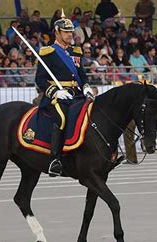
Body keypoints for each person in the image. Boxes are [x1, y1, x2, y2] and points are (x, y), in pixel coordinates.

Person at [35, 10, 92, 177]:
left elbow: (81, 74)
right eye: (66, 32)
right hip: (57, 96)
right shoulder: (48, 52)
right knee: (62, 118)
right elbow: (40, 79)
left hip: (77, 93)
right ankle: (55, 159)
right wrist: (55, 92)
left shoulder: (76, 52)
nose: (69, 34)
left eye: (71, 32)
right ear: (57, 32)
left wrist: (87, 86)